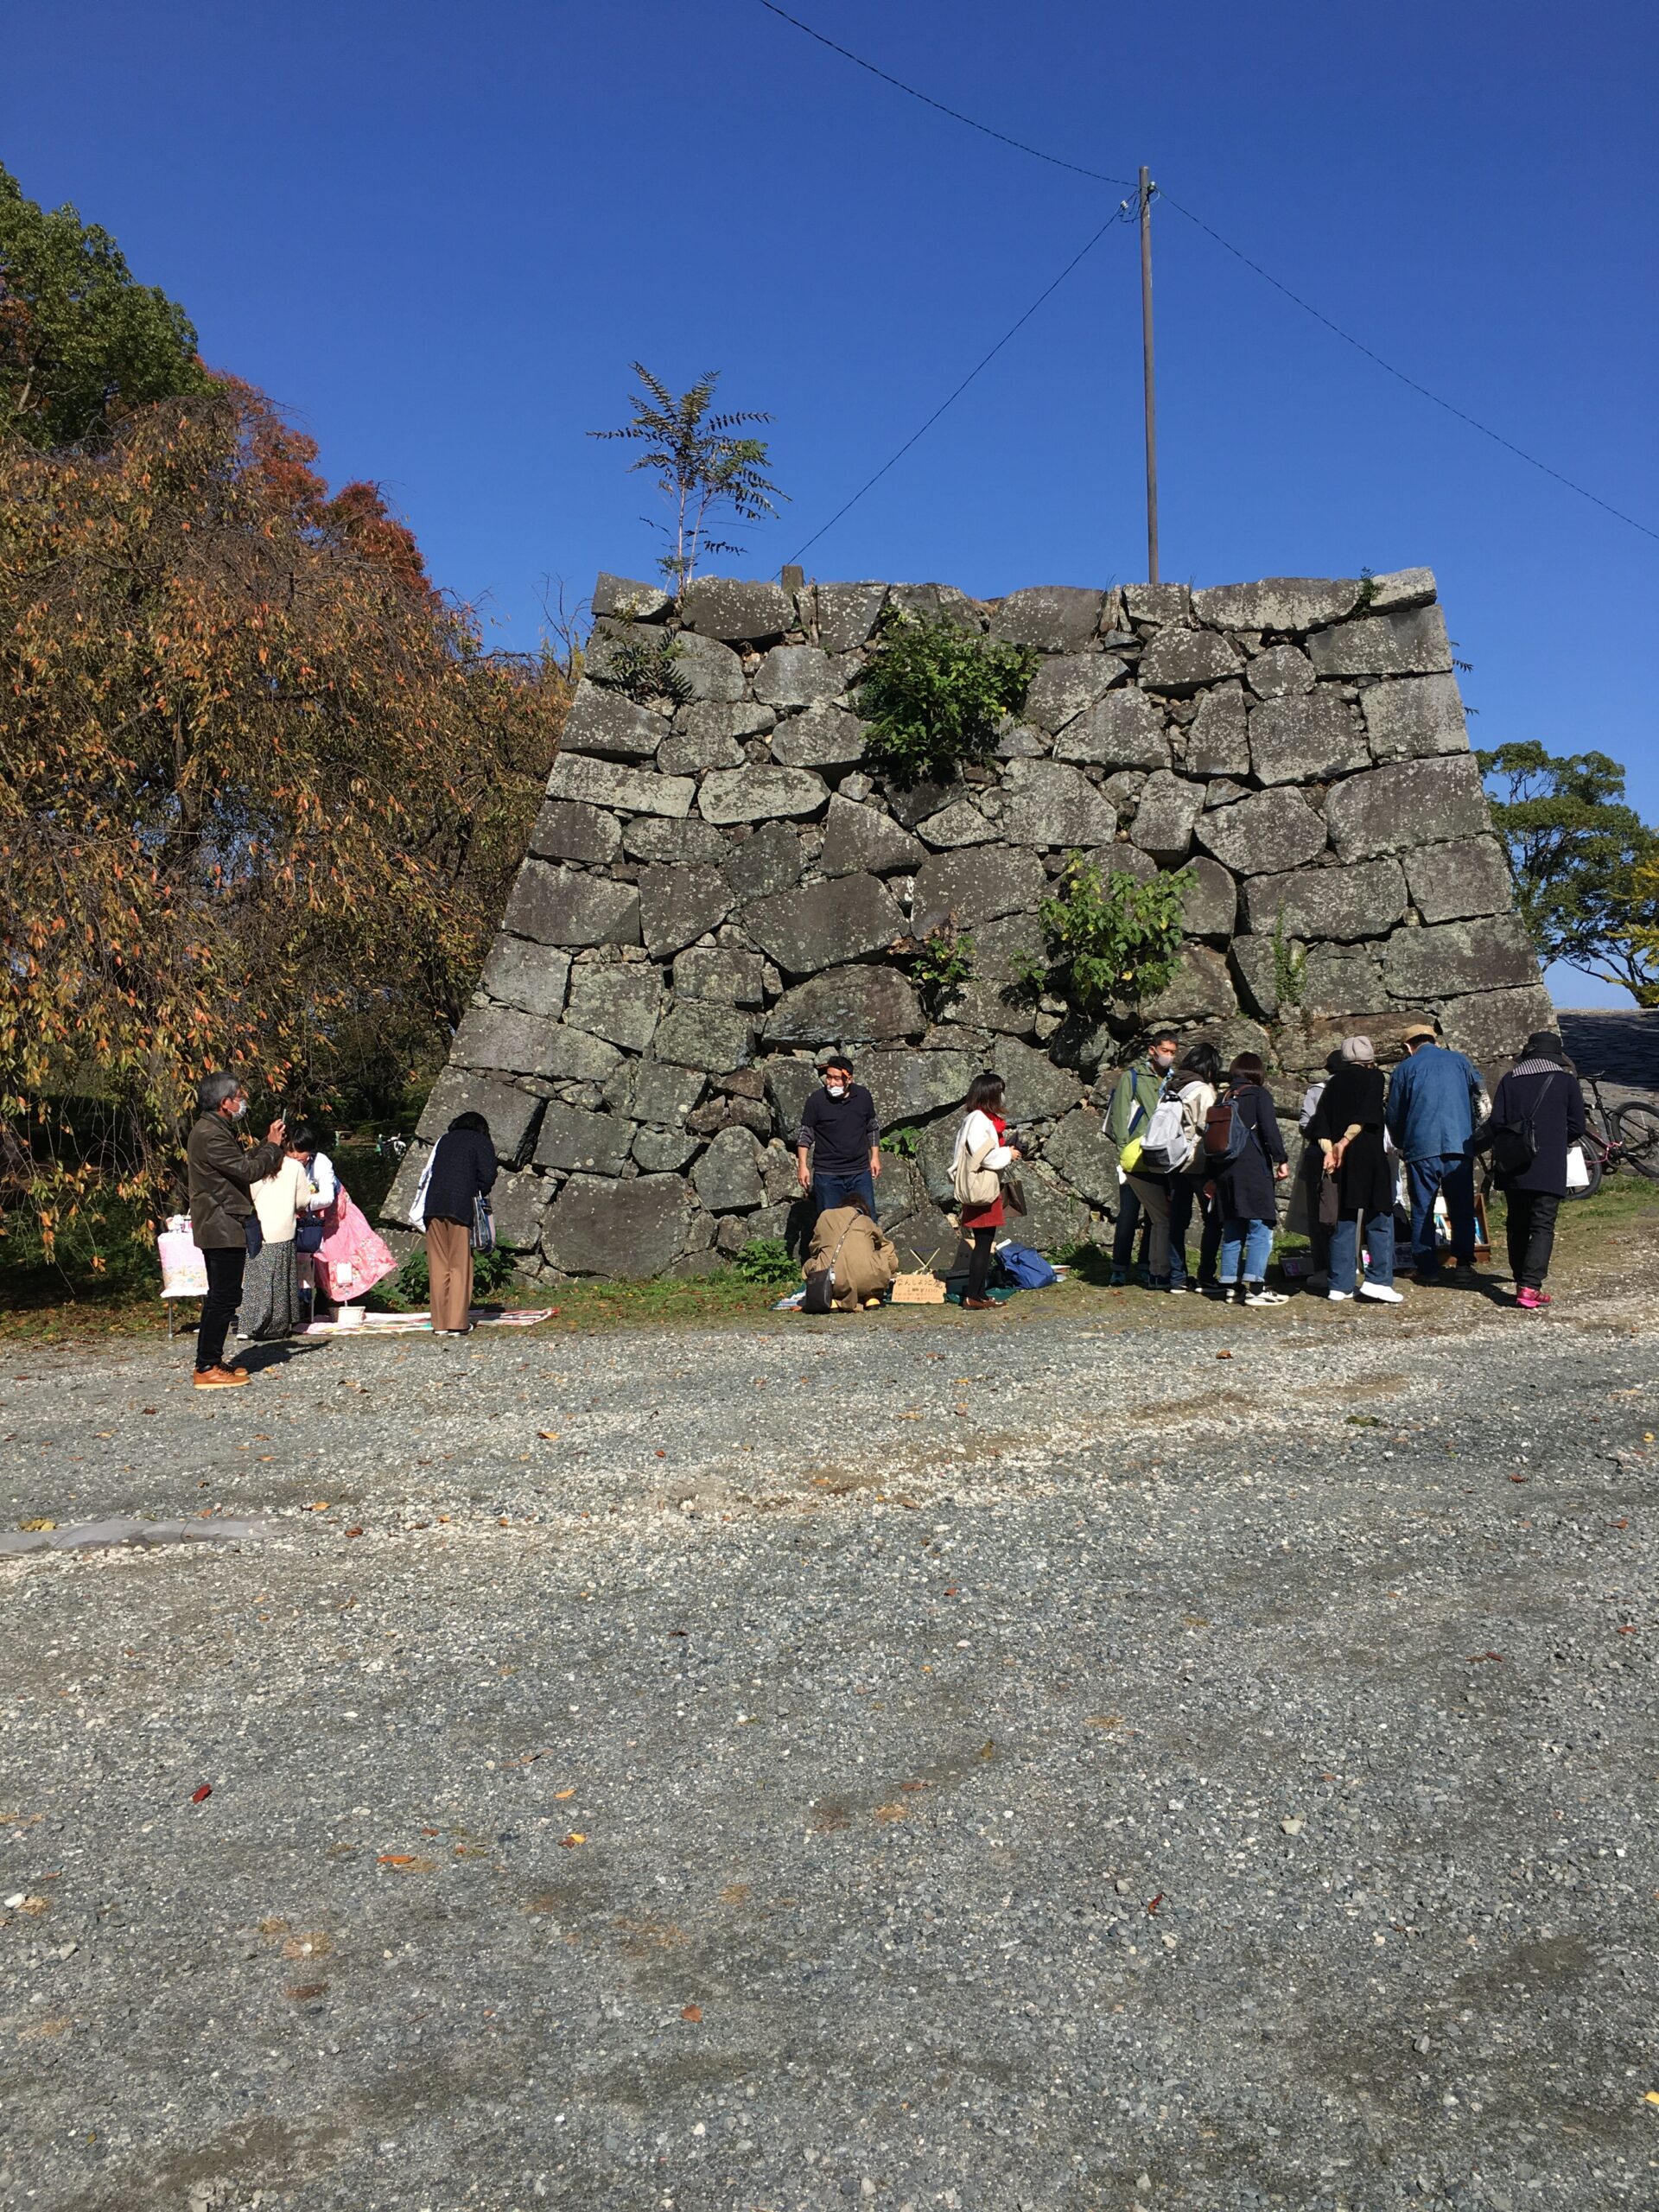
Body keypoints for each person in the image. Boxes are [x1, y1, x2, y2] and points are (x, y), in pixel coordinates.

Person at [185, 1071, 284, 1388]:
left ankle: (213, 1361)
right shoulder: (210, 1134)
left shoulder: (213, 1130)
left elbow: (238, 1163)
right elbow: (248, 1171)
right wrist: (272, 1148)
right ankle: (206, 1366)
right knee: (223, 1297)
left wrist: (266, 1145)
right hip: (221, 1222)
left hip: (221, 1222)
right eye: (239, 1096)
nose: (242, 1102)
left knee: (224, 1295)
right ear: (225, 1102)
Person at [1477, 1030, 1587, 1309]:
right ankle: (1530, 1286)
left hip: (1513, 1162)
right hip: (1548, 1164)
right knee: (1542, 1224)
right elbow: (1578, 1125)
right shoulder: (1565, 1081)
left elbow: (1497, 1121)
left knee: (1517, 1223)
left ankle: (1520, 1282)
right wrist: (1555, 1138)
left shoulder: (1510, 1079)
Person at [1386, 1018, 1483, 1286]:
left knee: (1422, 1209)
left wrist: (1401, 1142)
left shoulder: (1404, 1069)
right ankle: (1463, 1265)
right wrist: (1473, 1134)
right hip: (1458, 1143)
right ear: (1434, 1041)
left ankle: (1427, 1269)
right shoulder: (1460, 1061)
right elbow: (1480, 1099)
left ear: (1408, 1046)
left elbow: (1394, 1114)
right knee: (1462, 1207)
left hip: (1421, 1147)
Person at [1310, 1036, 1402, 1305]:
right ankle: (1378, 1280)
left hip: (1340, 1160)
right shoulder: (1374, 1078)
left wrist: (1330, 1151)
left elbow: (1320, 1123)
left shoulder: (1334, 1082)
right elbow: (1367, 1114)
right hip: (1368, 1154)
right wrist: (1344, 1142)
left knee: (1344, 1218)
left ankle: (1340, 1285)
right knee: (1380, 1216)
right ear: (1370, 1058)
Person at [1128, 1040, 1220, 1293]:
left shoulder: (1172, 1085)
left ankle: (1177, 1277)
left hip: (1173, 1162)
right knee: (1213, 1219)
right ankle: (1206, 1275)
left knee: (1177, 1222)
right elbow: (1208, 1127)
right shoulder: (1203, 1090)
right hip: (1197, 1163)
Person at [1210, 1052, 1290, 1307]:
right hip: (1252, 1167)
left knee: (1233, 1227)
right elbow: (1269, 1129)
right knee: (1260, 1225)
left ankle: (1231, 1287)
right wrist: (1281, 1158)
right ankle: (1256, 1288)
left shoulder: (1222, 1097)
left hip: (1224, 1169)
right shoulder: (1258, 1095)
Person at [1104, 1030, 1178, 1285]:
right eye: (1165, 1051)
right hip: (1134, 1156)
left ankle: (1146, 1263)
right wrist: (1123, 1149)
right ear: (1152, 1050)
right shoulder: (1133, 1077)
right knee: (1128, 1213)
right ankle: (1119, 1267)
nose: (1169, 1056)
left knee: (1155, 1216)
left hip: (1161, 1156)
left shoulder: (1173, 1079)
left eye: (1173, 1052)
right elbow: (1120, 1115)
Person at [950, 1071, 1024, 1310]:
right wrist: (1008, 1153)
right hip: (981, 1188)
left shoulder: (977, 1119)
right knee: (983, 1243)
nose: (1003, 1096)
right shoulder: (979, 1120)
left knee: (985, 1241)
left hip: (983, 1186)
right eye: (1000, 1091)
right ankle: (973, 1295)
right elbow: (985, 1157)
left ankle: (979, 1294)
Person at [421, 1109, 497, 1335]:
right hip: (460, 1206)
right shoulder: (480, 1141)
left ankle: (440, 1323)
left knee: (438, 1266)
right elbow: (488, 1175)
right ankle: (457, 1323)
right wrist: (478, 1190)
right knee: (459, 1265)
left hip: (433, 1206)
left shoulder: (445, 1140)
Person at [236, 1137, 315, 1342]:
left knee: (256, 1280)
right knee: (279, 1281)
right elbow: (303, 1200)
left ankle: (248, 1325)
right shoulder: (294, 1167)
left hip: (257, 1229)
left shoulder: (255, 1165)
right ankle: (275, 1325)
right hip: (283, 1229)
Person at [310, 1137, 397, 1320]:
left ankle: (334, 1302)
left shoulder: (322, 1163)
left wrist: (304, 1202)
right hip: (313, 1218)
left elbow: (328, 1197)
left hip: (336, 1218)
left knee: (339, 1258)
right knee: (314, 1261)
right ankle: (313, 1305)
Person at [796, 1053, 881, 1218]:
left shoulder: (863, 1096)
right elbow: (805, 1134)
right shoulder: (816, 1101)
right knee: (830, 1224)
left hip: (860, 1173)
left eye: (837, 1079)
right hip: (828, 1175)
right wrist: (803, 1166)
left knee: (867, 1222)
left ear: (849, 1079)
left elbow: (872, 1127)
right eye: (829, 1077)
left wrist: (875, 1157)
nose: (831, 1083)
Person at [804, 1194, 899, 1311]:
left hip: (832, 1281)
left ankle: (832, 1300)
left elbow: (814, 1248)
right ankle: (870, 1297)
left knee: (809, 1265)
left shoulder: (825, 1216)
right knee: (881, 1255)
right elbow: (886, 1247)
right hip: (869, 1279)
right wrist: (891, 1272)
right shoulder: (866, 1221)